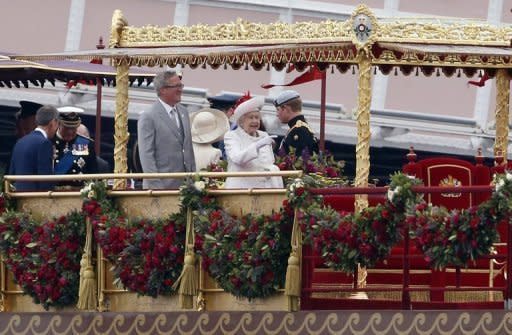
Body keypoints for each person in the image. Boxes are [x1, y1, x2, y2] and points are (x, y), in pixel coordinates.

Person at [137, 70, 195, 189]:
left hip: (186, 188)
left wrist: (194, 181)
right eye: (176, 86)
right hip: (162, 188)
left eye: (181, 85)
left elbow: (188, 149)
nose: (180, 89)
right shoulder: (149, 116)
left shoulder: (183, 112)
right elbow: (146, 155)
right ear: (163, 89)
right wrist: (157, 188)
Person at [224, 96, 283, 189]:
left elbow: (268, 162)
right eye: (251, 118)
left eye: (257, 118)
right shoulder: (232, 136)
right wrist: (258, 145)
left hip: (263, 188)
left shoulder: (263, 135)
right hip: (240, 189)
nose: (255, 121)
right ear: (241, 121)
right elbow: (238, 158)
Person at [9, 105, 59, 191]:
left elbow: (11, 174)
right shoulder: (44, 143)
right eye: (58, 124)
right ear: (53, 122)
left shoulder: (20, 142)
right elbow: (45, 180)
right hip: (35, 199)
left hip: (18, 197)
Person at [53, 107, 98, 185]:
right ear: (58, 124)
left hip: (78, 193)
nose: (70, 132)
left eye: (73, 128)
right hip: (53, 193)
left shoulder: (86, 144)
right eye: (66, 128)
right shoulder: (49, 141)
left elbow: (93, 173)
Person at [274, 90, 319, 156]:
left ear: (286, 108)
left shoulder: (299, 130)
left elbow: (297, 162)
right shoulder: (298, 128)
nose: (277, 114)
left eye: (278, 110)